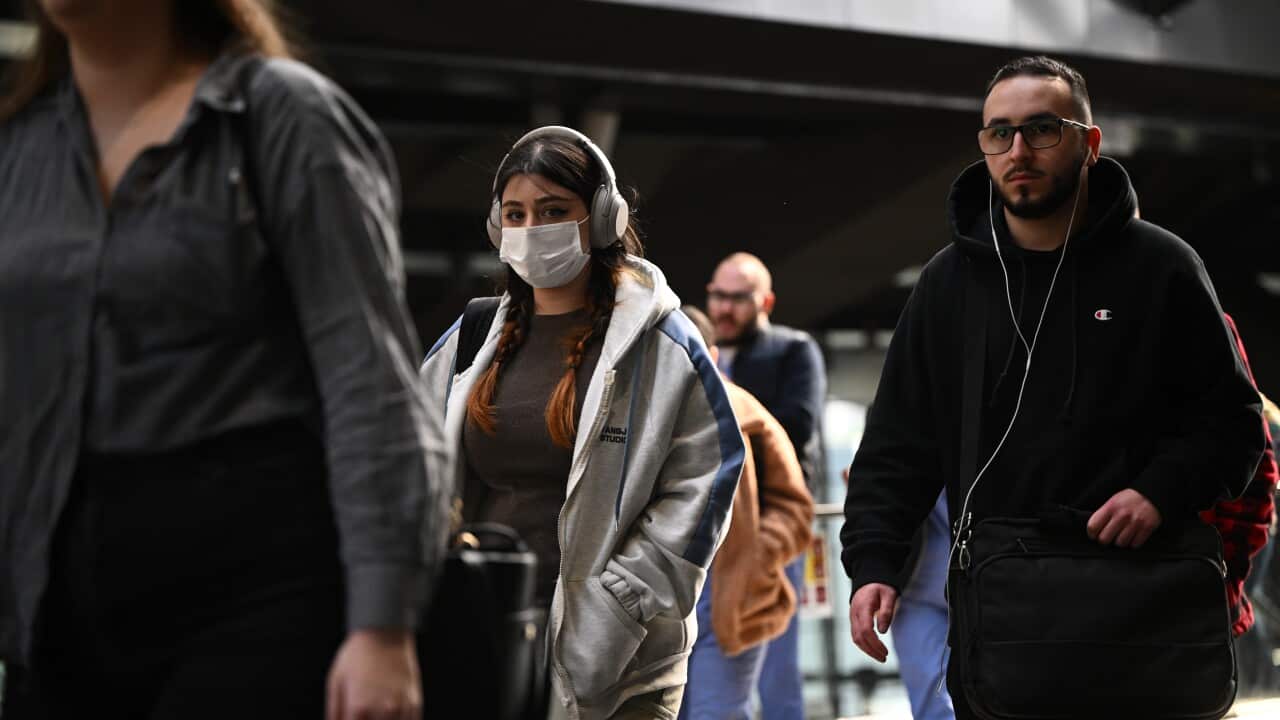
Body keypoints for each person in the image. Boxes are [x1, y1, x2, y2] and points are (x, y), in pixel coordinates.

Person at [0, 2, 444, 720]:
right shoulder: (22, 148)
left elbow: (371, 377)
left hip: (256, 587)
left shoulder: (279, 115)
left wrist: (382, 624)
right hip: (57, 594)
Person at [839, 55, 1265, 718]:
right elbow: (898, 445)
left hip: (1147, 616)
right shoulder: (949, 284)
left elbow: (1236, 426)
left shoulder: (1164, 268)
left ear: (1089, 143)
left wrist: (1159, 490)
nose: (1017, 150)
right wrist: (872, 566)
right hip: (1006, 627)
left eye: (1041, 129)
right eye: (997, 133)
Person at [418, 126, 743, 720]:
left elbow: (711, 472)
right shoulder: (471, 338)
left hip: (619, 663)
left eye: (552, 211)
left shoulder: (660, 343)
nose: (531, 230)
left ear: (599, 218)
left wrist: (627, 599)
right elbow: (410, 458)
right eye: (514, 214)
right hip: (482, 632)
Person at [705, 252, 827, 720]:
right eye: (718, 296)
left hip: (767, 523)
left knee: (776, 661)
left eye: (738, 298)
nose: (725, 308)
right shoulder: (695, 350)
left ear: (766, 301)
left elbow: (799, 424)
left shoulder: (792, 349)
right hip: (710, 535)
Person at [677, 306, 814, 720]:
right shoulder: (636, 413)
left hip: (729, 598)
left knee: (717, 713)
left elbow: (794, 508)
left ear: (712, 356)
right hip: (662, 603)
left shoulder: (748, 414)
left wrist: (756, 554)